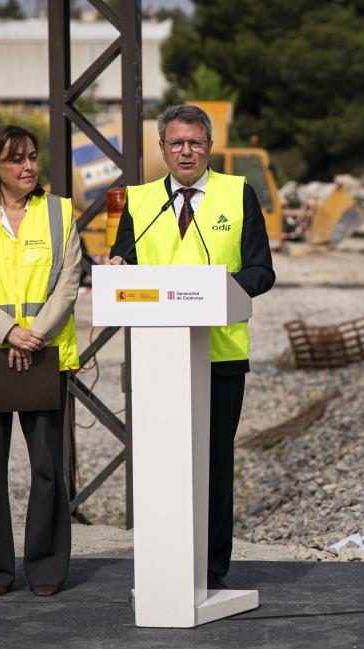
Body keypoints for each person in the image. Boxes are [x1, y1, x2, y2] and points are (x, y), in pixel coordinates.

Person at [106, 104, 274, 590]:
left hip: (219, 355)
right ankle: (165, 563)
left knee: (215, 463)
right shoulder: (138, 202)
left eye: (195, 143)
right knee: (161, 461)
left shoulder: (237, 193)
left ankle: (211, 568)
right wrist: (117, 269)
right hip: (159, 358)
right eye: (176, 143)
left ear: (209, 147)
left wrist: (219, 291)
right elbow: (126, 265)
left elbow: (262, 271)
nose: (186, 151)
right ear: (162, 148)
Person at [0, 125, 81, 597]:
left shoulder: (61, 213)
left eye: (32, 156)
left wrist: (34, 335)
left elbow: (69, 282)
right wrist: (7, 333)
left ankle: (45, 570)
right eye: (16, 159)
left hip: (44, 354)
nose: (28, 166)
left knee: (48, 468)